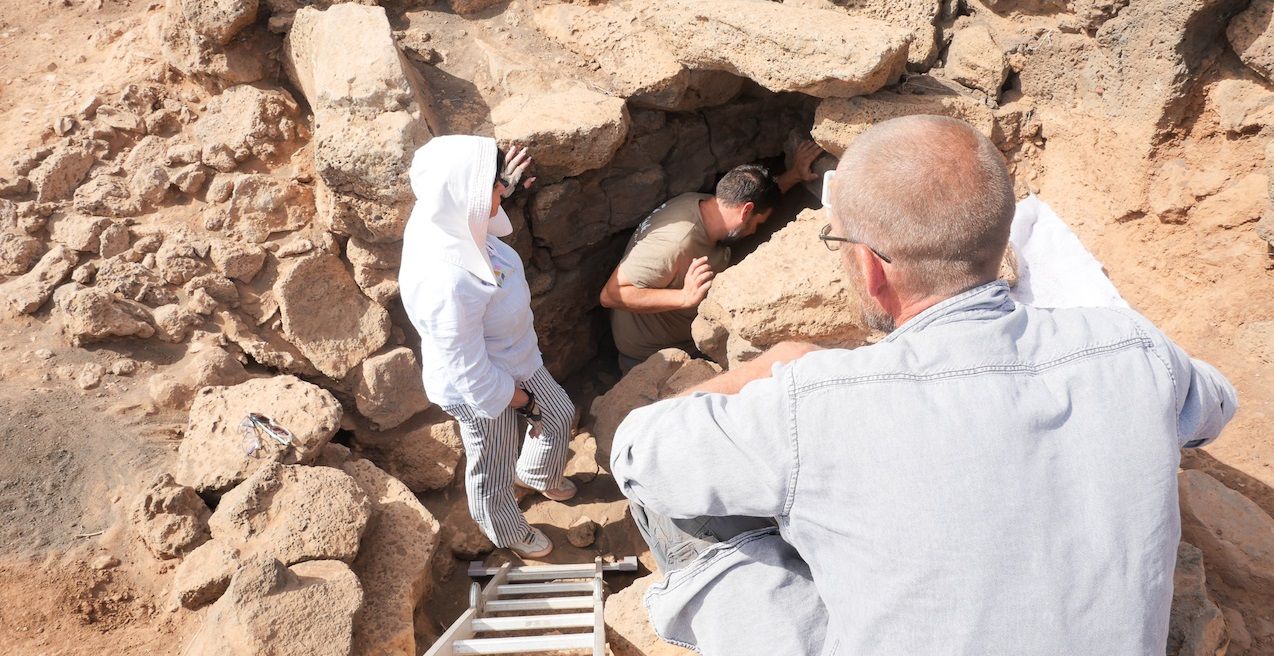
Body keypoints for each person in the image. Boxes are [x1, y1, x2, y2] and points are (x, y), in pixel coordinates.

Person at [609, 116, 1238, 655]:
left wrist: (756, 372)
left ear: (869, 268)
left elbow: (637, 452)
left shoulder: (815, 399)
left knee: (685, 503)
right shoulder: (1135, 349)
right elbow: (1214, 407)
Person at [399, 135, 577, 559]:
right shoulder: (444, 282)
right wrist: (523, 402)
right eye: (493, 184)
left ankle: (535, 471)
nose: (501, 188)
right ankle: (505, 527)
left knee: (562, 414)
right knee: (492, 468)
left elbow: (485, 221)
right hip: (480, 389)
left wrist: (503, 189)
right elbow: (468, 370)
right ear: (467, 195)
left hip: (514, 357)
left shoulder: (447, 215)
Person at [600, 142, 824, 370]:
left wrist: (794, 175)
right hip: (653, 356)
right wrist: (684, 298)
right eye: (757, 223)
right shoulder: (675, 243)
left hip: (683, 337)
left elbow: (755, 198)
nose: (755, 230)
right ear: (746, 211)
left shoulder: (704, 204)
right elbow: (611, 295)